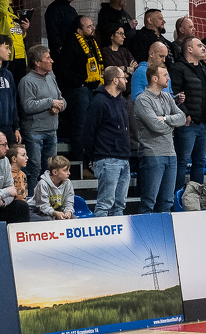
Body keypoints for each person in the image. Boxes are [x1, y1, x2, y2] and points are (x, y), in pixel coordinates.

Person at [134, 61, 187, 214]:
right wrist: (172, 125)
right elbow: (155, 126)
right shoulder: (143, 100)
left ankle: (163, 229)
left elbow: (182, 117)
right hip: (152, 154)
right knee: (149, 201)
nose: (168, 78)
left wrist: (165, 118)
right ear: (154, 78)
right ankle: (145, 229)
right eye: (165, 75)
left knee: (167, 201)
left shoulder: (167, 97)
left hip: (170, 154)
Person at [168, 36, 206, 200]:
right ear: (189, 49)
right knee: (182, 161)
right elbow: (174, 94)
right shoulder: (178, 68)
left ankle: (196, 197)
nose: (204, 48)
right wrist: (185, 114)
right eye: (200, 45)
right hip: (188, 124)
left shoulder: (203, 68)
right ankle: (178, 198)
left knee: (200, 162)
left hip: (204, 123)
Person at [82, 66, 132, 216]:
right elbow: (88, 133)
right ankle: (100, 230)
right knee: (105, 204)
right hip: (107, 158)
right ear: (115, 80)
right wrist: (93, 158)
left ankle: (118, 231)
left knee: (120, 205)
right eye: (124, 78)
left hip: (124, 158)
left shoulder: (122, 101)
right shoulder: (99, 102)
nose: (126, 80)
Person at [18, 45, 64, 191]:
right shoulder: (27, 81)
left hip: (52, 131)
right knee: (34, 169)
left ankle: (48, 200)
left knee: (51, 170)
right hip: (34, 132)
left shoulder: (51, 78)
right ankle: (32, 200)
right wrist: (50, 102)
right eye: (48, 58)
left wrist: (59, 106)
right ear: (37, 62)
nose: (52, 61)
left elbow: (61, 99)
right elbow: (27, 106)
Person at [61, 15, 104, 160]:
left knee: (93, 126)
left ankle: (92, 161)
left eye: (93, 25)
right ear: (79, 30)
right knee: (80, 126)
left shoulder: (93, 44)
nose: (93, 28)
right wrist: (79, 83)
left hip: (94, 89)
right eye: (89, 26)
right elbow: (63, 70)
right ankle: (81, 162)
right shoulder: (70, 45)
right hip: (79, 91)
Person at [44, 0, 80, 68]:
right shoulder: (54, 9)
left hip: (73, 52)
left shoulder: (71, 10)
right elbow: (52, 32)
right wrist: (61, 49)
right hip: (61, 56)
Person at [32, 154, 76, 221]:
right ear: (55, 172)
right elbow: (43, 207)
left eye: (68, 170)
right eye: (65, 170)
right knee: (49, 219)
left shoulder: (68, 183)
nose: (69, 173)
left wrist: (68, 212)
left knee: (73, 218)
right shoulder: (43, 184)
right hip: (37, 212)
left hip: (56, 212)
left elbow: (69, 202)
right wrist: (55, 213)